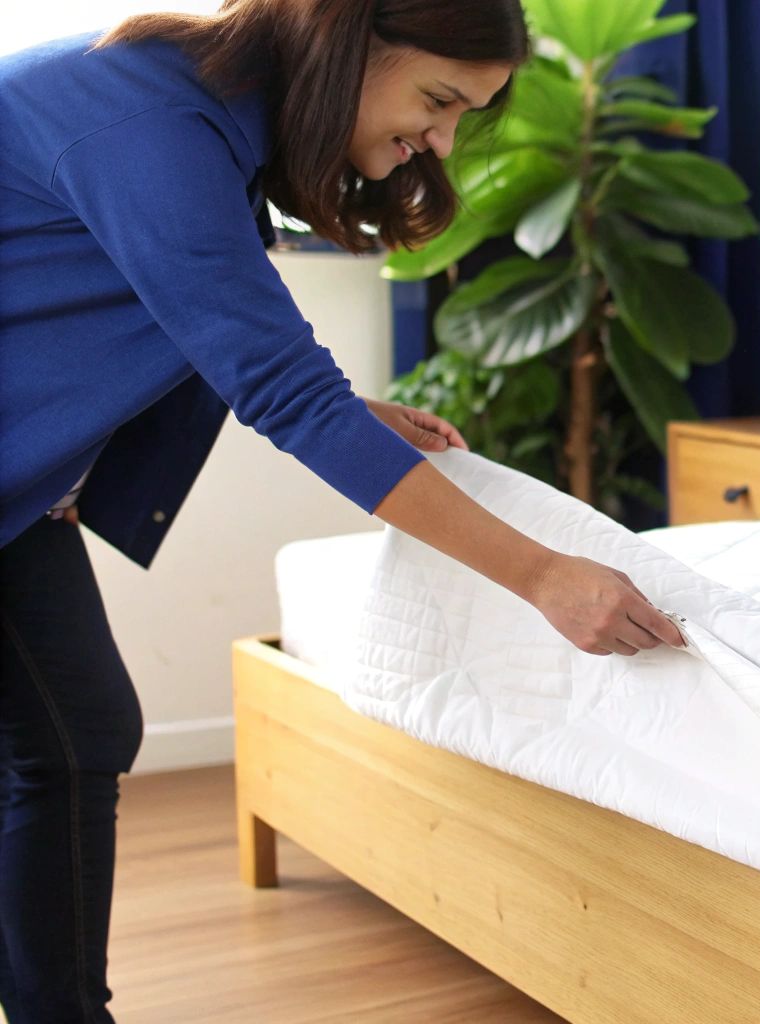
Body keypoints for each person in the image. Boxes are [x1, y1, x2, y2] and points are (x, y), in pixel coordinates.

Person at [0, 1, 687, 1019]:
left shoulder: (201, 121)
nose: (441, 140)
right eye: (438, 101)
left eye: (464, 117)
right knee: (72, 733)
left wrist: (353, 411)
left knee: (78, 731)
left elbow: (204, 328)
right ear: (348, 42)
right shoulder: (151, 120)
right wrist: (543, 574)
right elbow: (280, 388)